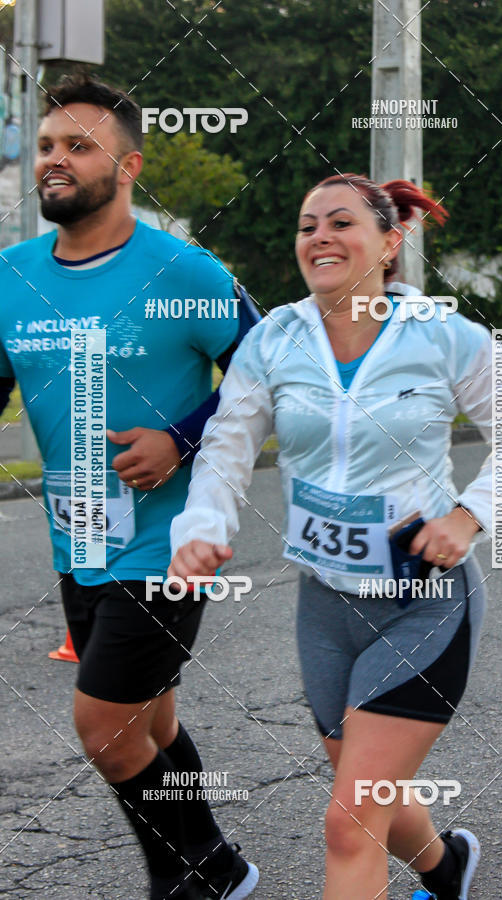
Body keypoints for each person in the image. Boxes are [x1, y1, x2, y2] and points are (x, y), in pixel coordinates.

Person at [169, 172, 502, 899]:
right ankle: (446, 868)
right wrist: (202, 530)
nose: (320, 237)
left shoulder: (444, 335)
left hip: (423, 603)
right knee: (369, 789)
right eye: (308, 225)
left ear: (390, 241)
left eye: (341, 222)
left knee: (350, 822)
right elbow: (225, 447)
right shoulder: (275, 339)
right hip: (325, 606)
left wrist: (467, 516)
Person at [0, 73, 259, 900]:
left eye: (79, 146)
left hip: (169, 544)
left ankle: (187, 880)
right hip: (77, 540)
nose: (55, 159)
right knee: (152, 722)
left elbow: (271, 371)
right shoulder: (10, 275)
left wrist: (180, 439)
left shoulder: (182, 270)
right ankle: (219, 867)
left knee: (103, 730)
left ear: (129, 166)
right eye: (48, 145)